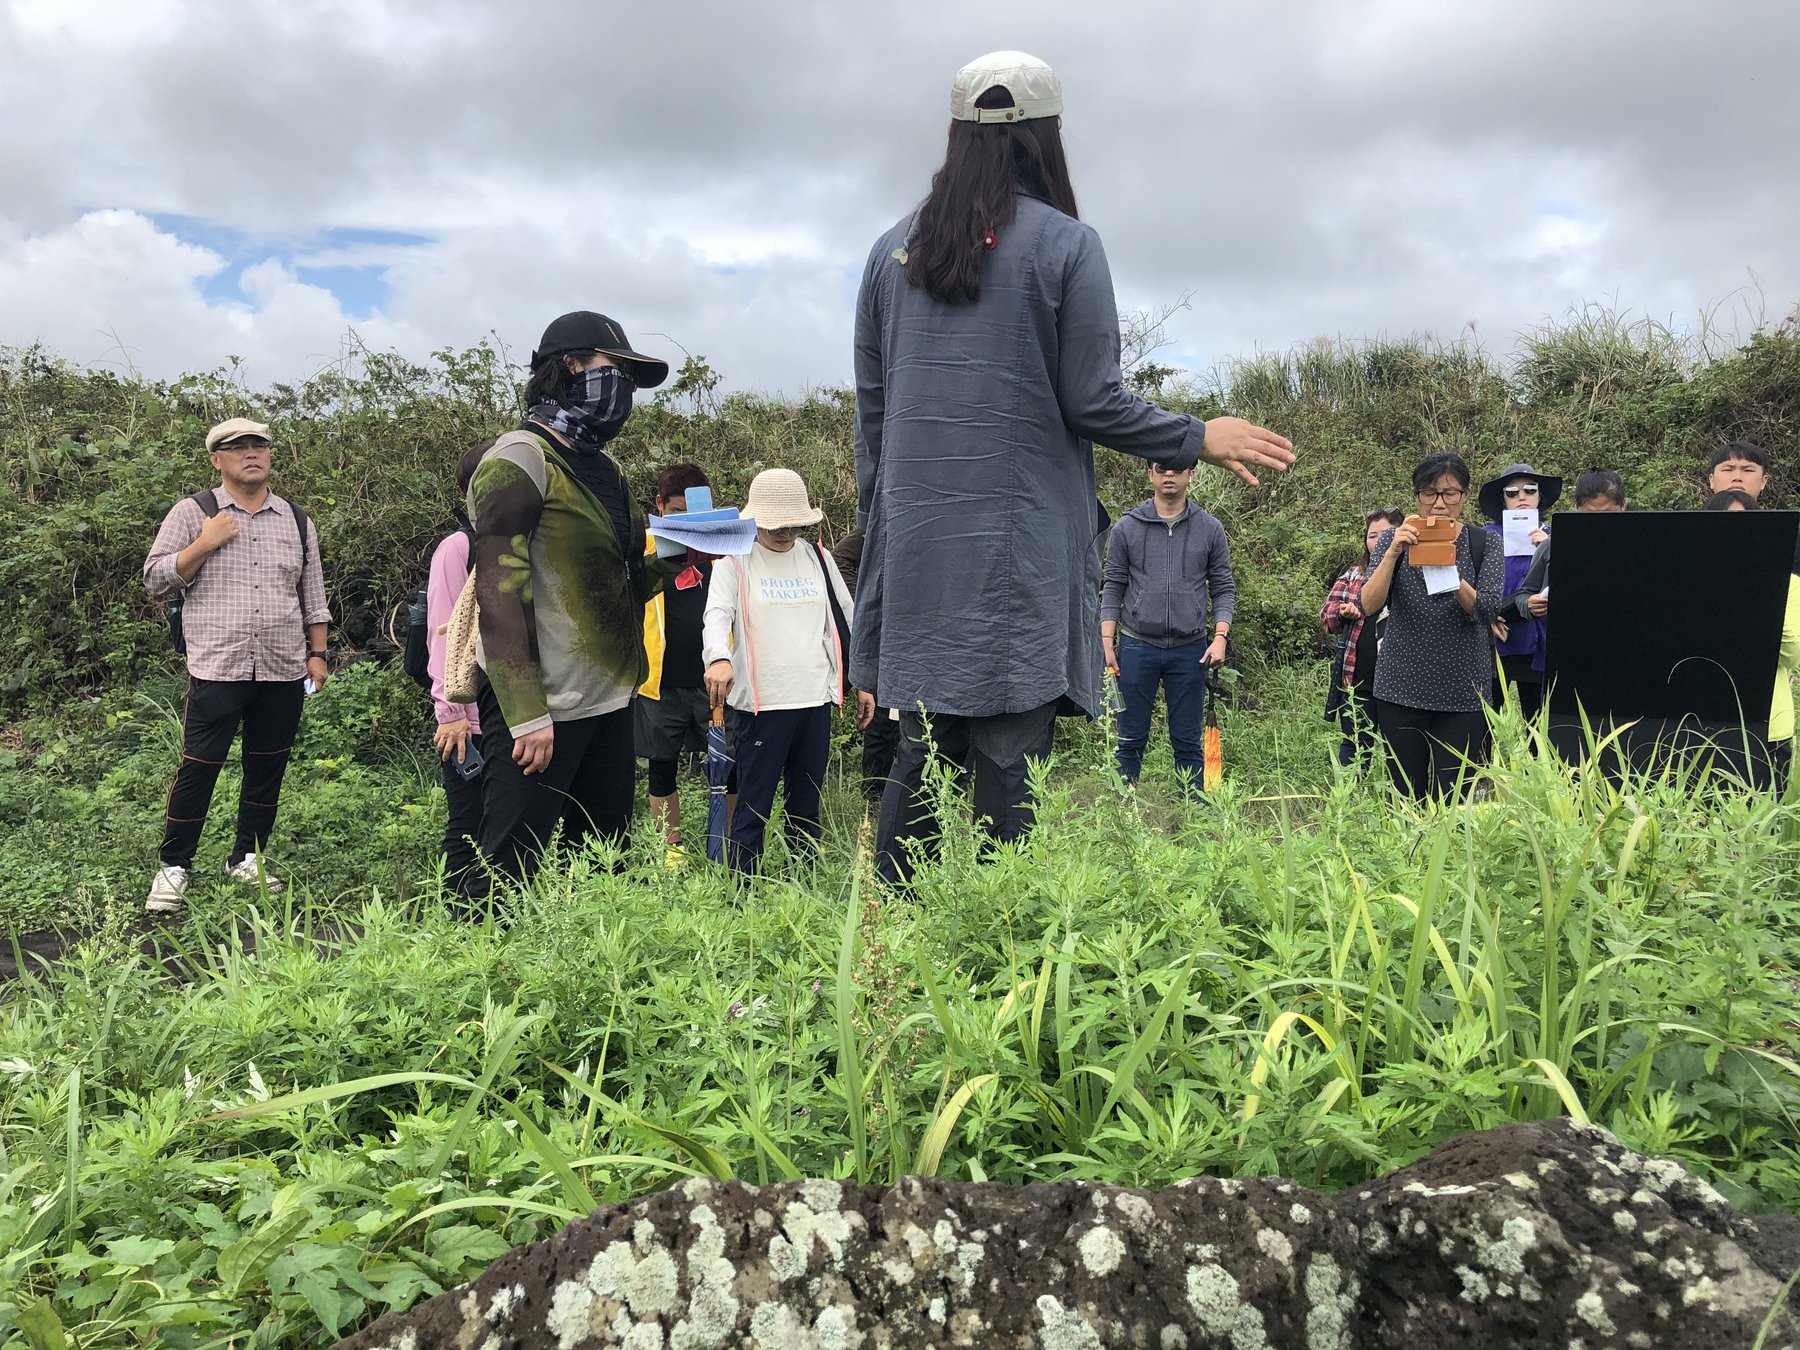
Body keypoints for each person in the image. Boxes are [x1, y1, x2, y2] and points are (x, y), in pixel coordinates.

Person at [851, 50, 1294, 883]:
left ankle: (894, 957)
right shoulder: (1066, 245)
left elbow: (871, 433)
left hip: (916, 560)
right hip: (1015, 558)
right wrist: (1199, 435)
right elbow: (1092, 402)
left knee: (921, 752)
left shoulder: (888, 254)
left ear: (954, 136)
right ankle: (1002, 962)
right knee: (1009, 759)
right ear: (1047, 138)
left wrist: (887, 553)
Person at [462, 311, 677, 906]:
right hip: (543, 710)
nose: (625, 391)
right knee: (508, 871)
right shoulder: (519, 457)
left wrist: (682, 556)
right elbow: (498, 593)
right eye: (617, 371)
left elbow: (619, 585)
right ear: (568, 367)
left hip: (609, 699)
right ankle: (489, 986)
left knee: (605, 866)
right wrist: (528, 713)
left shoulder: (605, 470)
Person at [141, 417, 332, 911]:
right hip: (217, 668)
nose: (252, 454)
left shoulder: (295, 518)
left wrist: (318, 654)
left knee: (267, 768)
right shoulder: (193, 512)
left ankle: (247, 856)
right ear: (216, 459)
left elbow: (313, 595)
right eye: (238, 447)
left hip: (283, 668)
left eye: (259, 446)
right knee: (200, 767)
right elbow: (156, 578)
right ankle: (174, 867)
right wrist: (204, 542)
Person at [702, 469, 873, 874]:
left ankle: (805, 884)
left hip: (814, 698)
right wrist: (718, 658)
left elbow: (847, 616)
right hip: (762, 705)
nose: (784, 533)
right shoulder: (734, 560)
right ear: (756, 519)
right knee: (753, 806)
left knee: (806, 806)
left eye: (793, 525)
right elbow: (717, 615)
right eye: (775, 525)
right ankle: (741, 890)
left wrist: (863, 678)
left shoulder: (817, 556)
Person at [1356, 452, 1505, 800]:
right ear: (1416, 497)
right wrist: (1393, 552)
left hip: (1464, 690)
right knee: (1406, 793)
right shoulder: (1394, 540)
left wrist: (1447, 570)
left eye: (1450, 493)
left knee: (1454, 798)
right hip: (1401, 687)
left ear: (1464, 496)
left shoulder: (1485, 543)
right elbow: (1367, 604)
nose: (1439, 503)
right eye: (1429, 493)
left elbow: (1486, 611)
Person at [1100, 460, 1235, 793]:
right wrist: (1106, 639)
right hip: (1136, 644)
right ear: (1150, 474)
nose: (1169, 475)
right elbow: (1113, 584)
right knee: (1129, 736)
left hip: (1190, 648)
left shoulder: (1210, 529)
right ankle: (1123, 810)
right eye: (1161, 468)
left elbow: (1222, 587)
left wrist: (1220, 637)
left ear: (1191, 474)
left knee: (1188, 738)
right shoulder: (1127, 528)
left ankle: (1195, 812)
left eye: (1177, 468)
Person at [638, 463, 723, 861]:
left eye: (695, 516)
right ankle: (671, 851)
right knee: (662, 765)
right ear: (659, 506)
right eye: (676, 514)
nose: (687, 524)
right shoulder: (644, 550)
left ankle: (723, 841)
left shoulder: (723, 552)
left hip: (715, 682)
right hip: (661, 681)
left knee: (726, 766)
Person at [425, 438, 495, 892]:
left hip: (518, 713)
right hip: (472, 714)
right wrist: (453, 715)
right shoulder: (458, 548)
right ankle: (458, 918)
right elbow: (443, 634)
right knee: (468, 823)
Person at [1704, 488, 1800, 789]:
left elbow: (1792, 653)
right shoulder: (1692, 581)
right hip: (1704, 723)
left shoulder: (1789, 583)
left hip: (1768, 726)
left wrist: (1765, 587)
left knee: (1763, 825)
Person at [1320, 508, 1405, 768]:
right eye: (1372, 535)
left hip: (1402, 681)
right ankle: (1350, 799)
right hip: (1358, 678)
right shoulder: (1353, 575)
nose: (1377, 541)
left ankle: (1399, 804)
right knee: (1355, 743)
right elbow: (1327, 617)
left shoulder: (1412, 574)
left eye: (1386, 534)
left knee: (1400, 748)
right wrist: (1344, 613)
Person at [1476, 463, 1558, 720]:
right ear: (1502, 499)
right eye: (1512, 492)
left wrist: (1552, 548)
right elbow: (1470, 584)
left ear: (1539, 496)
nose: (1521, 497)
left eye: (1529, 490)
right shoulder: (1485, 537)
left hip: (1540, 641)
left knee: (1539, 723)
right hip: (1495, 638)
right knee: (1486, 721)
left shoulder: (1556, 535)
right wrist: (1487, 615)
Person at [829, 527, 902, 803]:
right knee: (881, 720)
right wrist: (866, 601)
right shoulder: (882, 523)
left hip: (923, 630)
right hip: (885, 634)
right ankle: (874, 797)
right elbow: (839, 559)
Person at [1512, 470, 1627, 616]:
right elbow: (1524, 594)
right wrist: (1529, 604)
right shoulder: (1552, 546)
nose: (1599, 522)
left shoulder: (1643, 546)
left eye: (1607, 514)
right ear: (1577, 509)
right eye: (1589, 515)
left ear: (1623, 507)